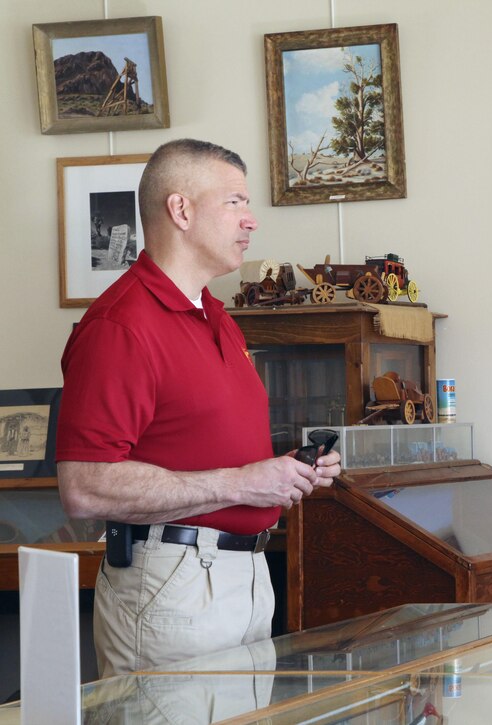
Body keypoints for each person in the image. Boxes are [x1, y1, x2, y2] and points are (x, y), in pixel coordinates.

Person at [56, 139, 341, 678]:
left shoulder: (218, 316)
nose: (251, 220)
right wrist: (239, 483)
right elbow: (85, 485)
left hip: (244, 578)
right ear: (180, 210)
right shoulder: (119, 326)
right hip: (172, 585)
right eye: (235, 202)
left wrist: (287, 472)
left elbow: (205, 448)